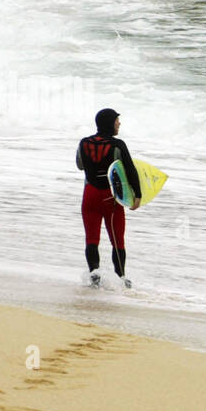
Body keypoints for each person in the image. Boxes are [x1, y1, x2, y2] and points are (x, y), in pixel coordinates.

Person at [76, 107, 141, 288]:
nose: (119, 123)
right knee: (117, 239)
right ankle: (121, 279)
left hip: (89, 195)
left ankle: (94, 275)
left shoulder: (83, 143)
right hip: (110, 198)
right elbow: (130, 169)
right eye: (116, 120)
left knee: (91, 238)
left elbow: (80, 165)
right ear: (109, 123)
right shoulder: (117, 145)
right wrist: (137, 194)